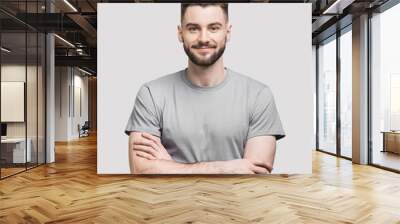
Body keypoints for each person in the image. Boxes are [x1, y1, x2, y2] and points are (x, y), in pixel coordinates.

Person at [125, 3, 285, 174]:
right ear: (180, 33)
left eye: (214, 28)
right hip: (170, 201)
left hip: (237, 201)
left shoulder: (258, 95)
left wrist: (170, 166)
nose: (203, 38)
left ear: (227, 32)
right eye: (193, 29)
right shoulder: (151, 93)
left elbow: (256, 174)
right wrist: (223, 168)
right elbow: (141, 170)